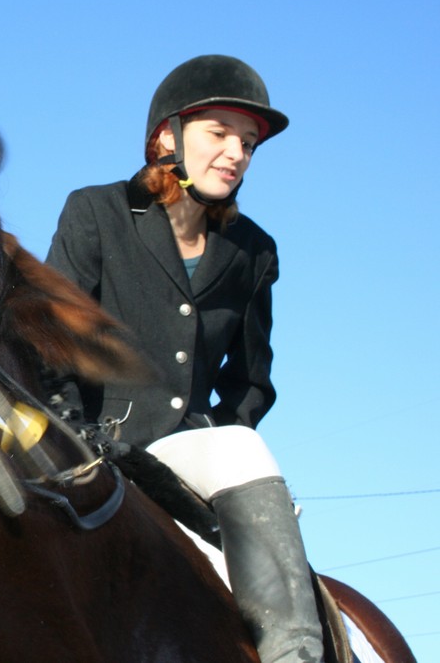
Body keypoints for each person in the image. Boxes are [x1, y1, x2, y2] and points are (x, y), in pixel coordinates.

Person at [46, 55, 324, 663]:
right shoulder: (96, 212)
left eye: (248, 143)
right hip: (89, 442)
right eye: (219, 134)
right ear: (165, 137)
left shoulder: (253, 251)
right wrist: (73, 430)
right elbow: (52, 340)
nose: (236, 153)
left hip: (187, 451)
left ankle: (295, 651)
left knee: (239, 447)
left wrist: (222, 438)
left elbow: (251, 379)